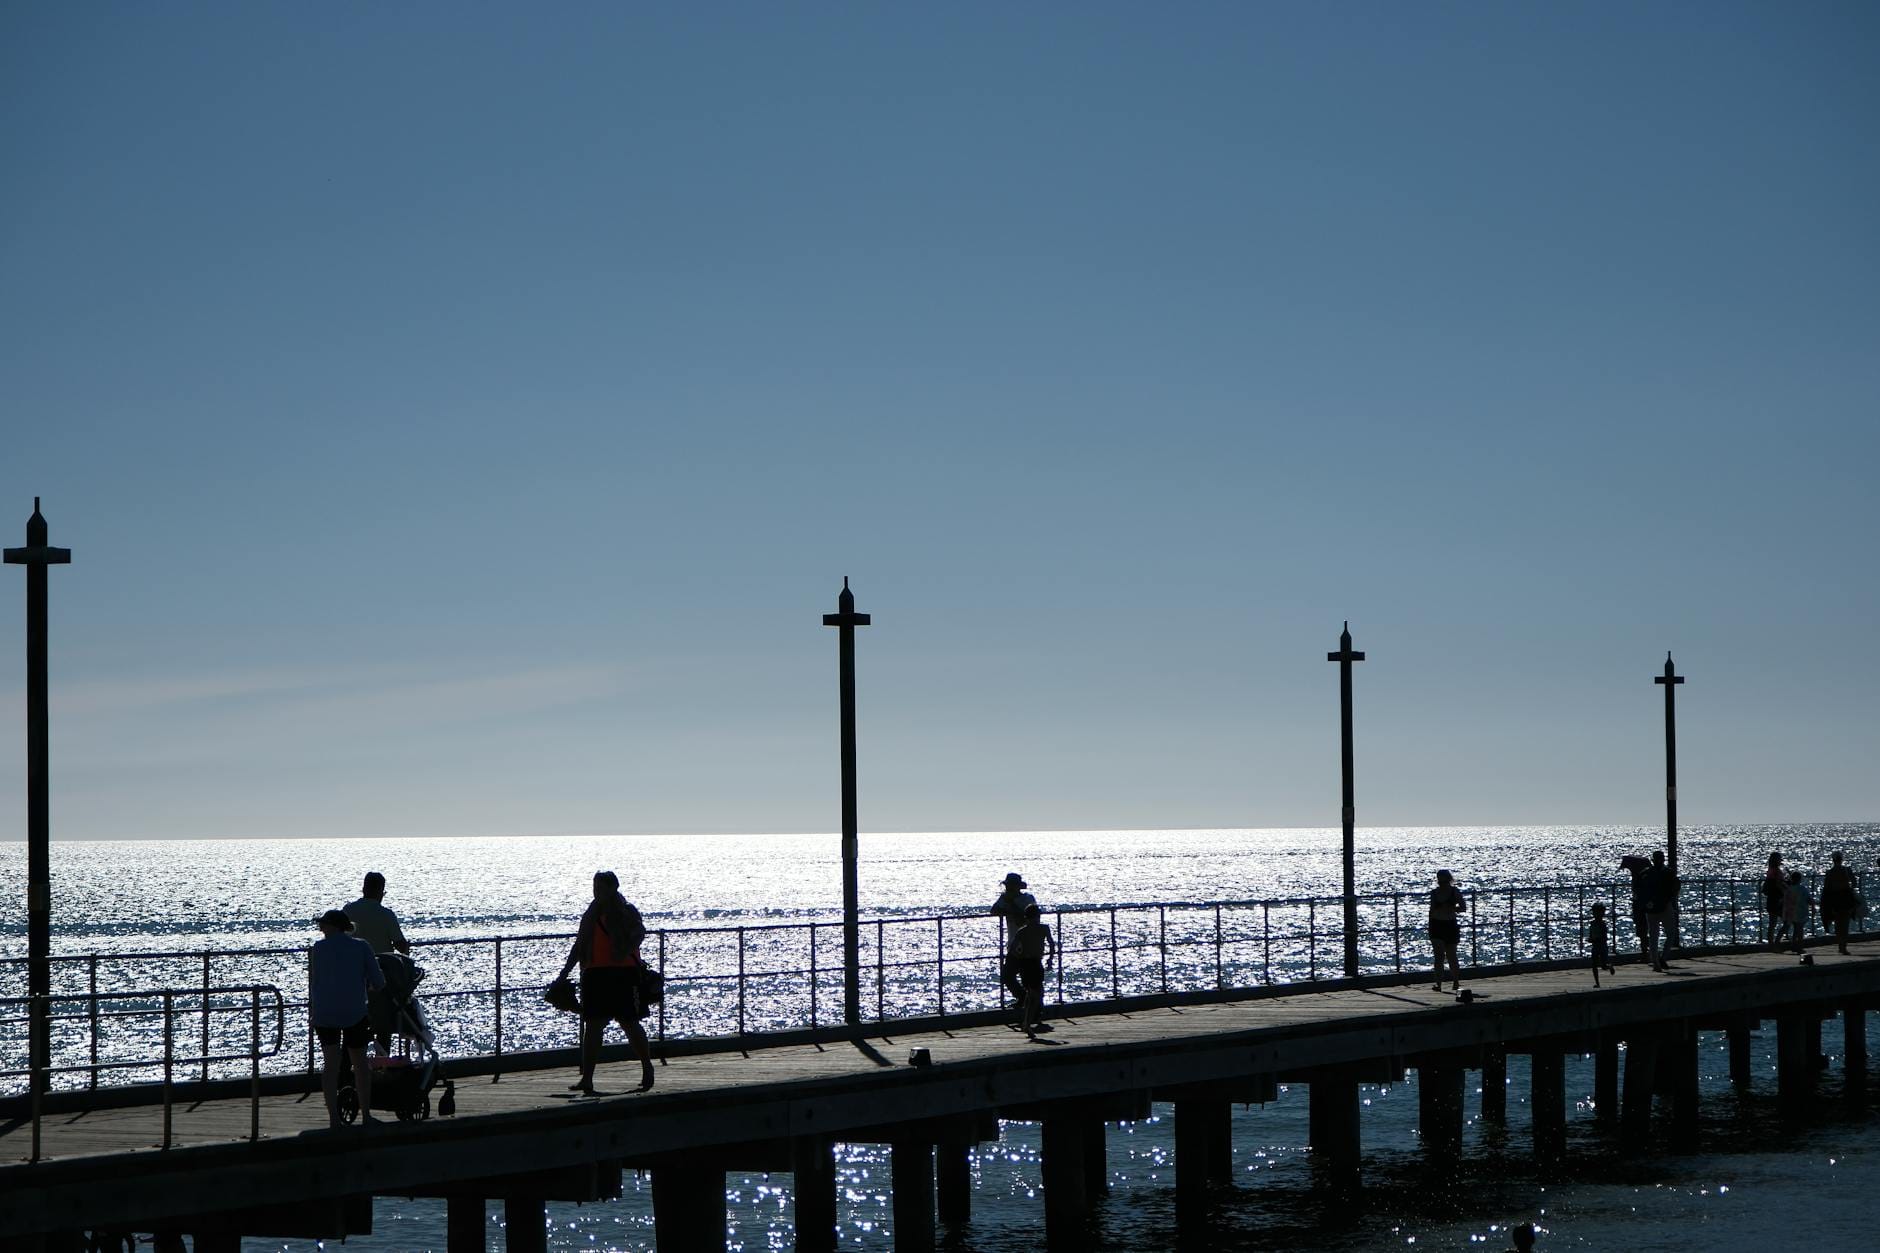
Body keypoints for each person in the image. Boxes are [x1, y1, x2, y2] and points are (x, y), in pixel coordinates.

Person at [558, 870, 654, 1094]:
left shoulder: (626, 910)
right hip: (594, 973)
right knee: (592, 1026)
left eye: (600, 887)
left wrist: (624, 950)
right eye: (594, 887)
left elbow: (639, 933)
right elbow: (580, 944)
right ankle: (587, 1078)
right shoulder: (590, 914)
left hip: (623, 973)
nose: (596, 891)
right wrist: (565, 972)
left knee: (629, 1022)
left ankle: (647, 1067)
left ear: (613, 888)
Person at [310, 908, 385, 1128]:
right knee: (360, 1064)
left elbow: (319, 981)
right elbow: (378, 981)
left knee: (330, 1065)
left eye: (323, 924)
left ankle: (334, 1118)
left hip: (325, 1013)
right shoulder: (361, 946)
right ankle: (366, 1115)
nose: (320, 927)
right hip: (354, 1012)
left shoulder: (319, 948)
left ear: (333, 926)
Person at [991, 872, 1037, 1010]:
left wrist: (1011, 905)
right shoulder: (1004, 899)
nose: (1008, 889)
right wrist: (1005, 906)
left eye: (1010, 886)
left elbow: (1026, 919)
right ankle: (1023, 998)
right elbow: (993, 910)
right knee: (1007, 975)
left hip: (1028, 944)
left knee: (1028, 978)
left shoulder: (1028, 899)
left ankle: (1032, 1004)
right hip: (1014, 944)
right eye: (1007, 886)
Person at [1012, 902, 1057, 1039]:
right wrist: (1050, 959)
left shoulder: (1022, 931)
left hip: (1028, 962)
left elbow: (1013, 948)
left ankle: (1028, 1020)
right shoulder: (1043, 929)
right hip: (1033, 962)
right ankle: (1027, 1022)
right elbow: (1051, 944)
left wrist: (1020, 956)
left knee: (1032, 994)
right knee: (1035, 995)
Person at [344, 871, 411, 956]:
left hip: (354, 964)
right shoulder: (387, 915)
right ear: (380, 892)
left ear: (364, 889)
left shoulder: (347, 910)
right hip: (382, 965)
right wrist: (406, 946)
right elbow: (401, 946)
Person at [1428, 869, 1466, 992]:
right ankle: (1438, 983)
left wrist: (1452, 908)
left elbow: (1463, 907)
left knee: (1451, 955)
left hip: (1449, 924)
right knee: (1439, 956)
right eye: (1440, 880)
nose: (1441, 883)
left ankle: (1455, 981)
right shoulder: (1434, 893)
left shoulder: (1454, 892)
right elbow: (1431, 911)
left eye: (1443, 880)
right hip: (1437, 924)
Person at [1642, 851, 1677, 972]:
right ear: (1663, 859)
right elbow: (1674, 888)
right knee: (1671, 933)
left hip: (1650, 907)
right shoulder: (1669, 872)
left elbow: (1639, 890)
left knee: (1653, 936)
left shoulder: (1646, 873)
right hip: (1665, 906)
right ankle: (1663, 957)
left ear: (1652, 860)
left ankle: (1656, 962)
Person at [1820, 852, 1857, 956]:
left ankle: (1840, 945)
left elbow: (1826, 888)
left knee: (1837, 923)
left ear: (1833, 860)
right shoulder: (1847, 870)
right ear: (1841, 860)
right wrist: (1848, 887)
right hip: (1845, 897)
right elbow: (1854, 883)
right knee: (1845, 923)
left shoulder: (1830, 872)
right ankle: (1843, 946)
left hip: (1834, 899)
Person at [1621, 854, 1652, 961]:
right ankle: (1647, 951)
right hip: (1643, 905)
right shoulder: (1645, 876)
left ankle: (1646, 953)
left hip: (1640, 906)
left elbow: (1638, 893)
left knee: (1642, 929)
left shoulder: (1639, 877)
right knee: (1644, 929)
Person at [1781, 870, 1811, 954]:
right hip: (1800, 912)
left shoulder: (1789, 889)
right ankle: (1799, 947)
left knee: (1795, 929)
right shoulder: (1802, 889)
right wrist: (1812, 906)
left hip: (1790, 912)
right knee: (1800, 930)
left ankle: (1794, 945)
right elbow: (1808, 899)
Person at [1762, 853, 1786, 945]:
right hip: (1778, 898)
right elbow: (1778, 884)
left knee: (1772, 923)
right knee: (1787, 921)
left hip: (1771, 898)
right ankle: (1776, 942)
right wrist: (1785, 891)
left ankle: (1771, 943)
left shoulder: (1770, 870)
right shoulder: (1777, 871)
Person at [1589, 902, 1613, 986]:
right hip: (1595, 945)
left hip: (1602, 946)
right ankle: (1597, 983)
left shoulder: (1603, 924)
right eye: (1594, 912)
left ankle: (1609, 966)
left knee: (1603, 965)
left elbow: (1604, 937)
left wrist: (1597, 939)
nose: (1595, 914)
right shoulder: (1592, 923)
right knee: (1594, 964)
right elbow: (1591, 933)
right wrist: (1591, 939)